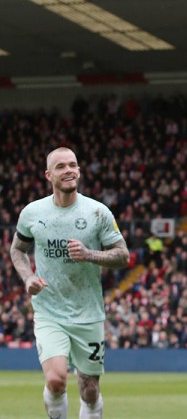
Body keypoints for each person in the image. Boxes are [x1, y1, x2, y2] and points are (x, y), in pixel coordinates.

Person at [10, 147, 130, 419]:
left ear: (79, 170)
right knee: (56, 380)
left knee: (89, 390)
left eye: (72, 165)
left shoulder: (97, 212)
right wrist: (28, 277)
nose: (68, 170)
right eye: (61, 166)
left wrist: (89, 254)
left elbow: (123, 255)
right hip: (49, 310)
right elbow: (17, 249)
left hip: (88, 313)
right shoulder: (32, 213)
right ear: (48, 175)